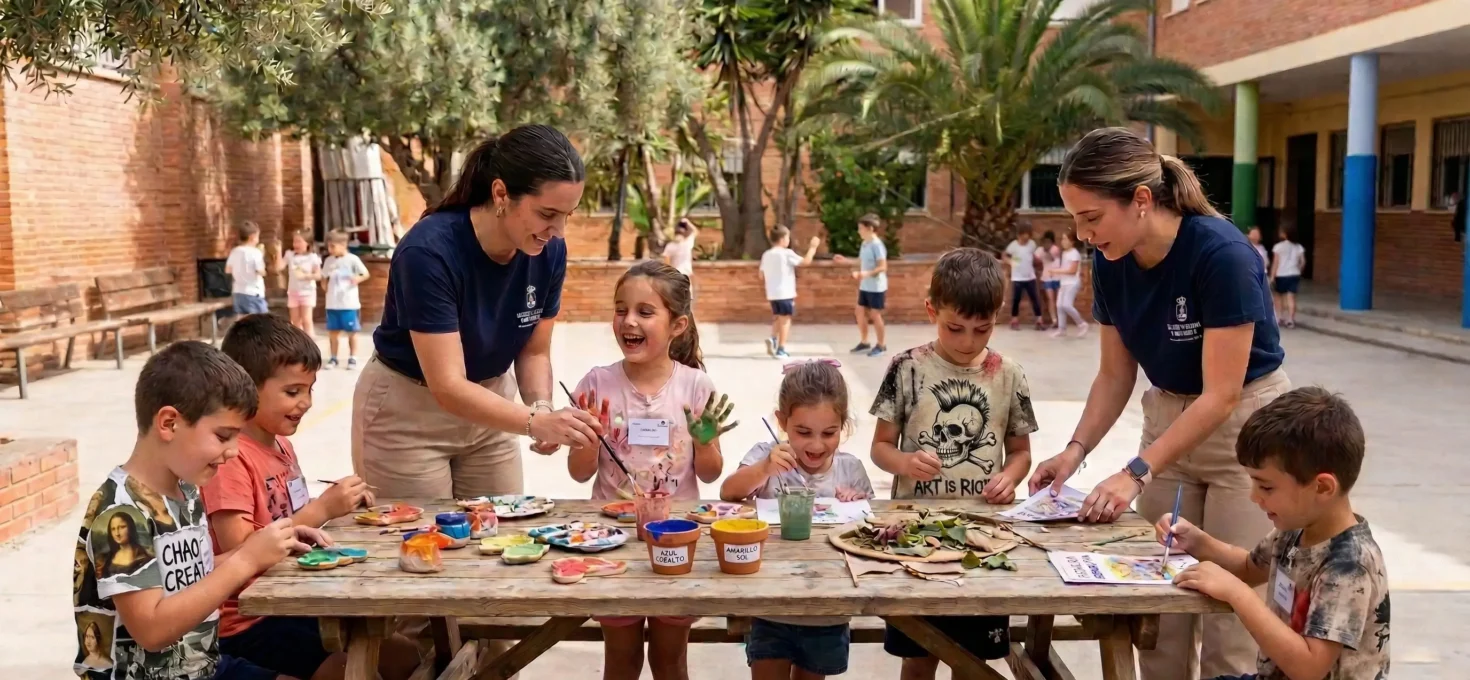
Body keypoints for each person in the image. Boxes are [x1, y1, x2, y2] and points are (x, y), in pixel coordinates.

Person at [1029, 127, 1289, 680]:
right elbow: (1114, 374)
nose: (1081, 234)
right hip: (1169, 419)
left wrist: (1136, 472)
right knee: (1155, 601)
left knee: (1230, 610)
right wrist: (1073, 453)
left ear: (1141, 201)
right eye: (1075, 219)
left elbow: (1221, 395)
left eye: (1092, 217)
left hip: (1244, 428)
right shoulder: (1111, 260)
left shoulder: (1222, 254)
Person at [353, 124, 602, 503]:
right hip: (408, 416)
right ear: (501, 193)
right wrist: (536, 423)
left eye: (568, 214)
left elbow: (534, 351)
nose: (559, 230)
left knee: (503, 537)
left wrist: (541, 409)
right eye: (548, 213)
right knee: (421, 543)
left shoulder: (549, 250)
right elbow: (448, 385)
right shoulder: (428, 251)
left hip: (491, 413)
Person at [73, 340, 323, 680]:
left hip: (200, 665)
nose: (234, 452)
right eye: (223, 436)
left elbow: (189, 574)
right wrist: (246, 560)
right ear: (169, 423)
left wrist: (267, 546)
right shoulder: (120, 513)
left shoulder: (185, 490)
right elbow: (152, 629)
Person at [204, 314, 418, 680]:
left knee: (405, 655)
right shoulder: (231, 459)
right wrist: (322, 509)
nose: (306, 402)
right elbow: (242, 546)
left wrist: (335, 506)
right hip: (247, 620)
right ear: (246, 388)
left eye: (310, 389)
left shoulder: (282, 446)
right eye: (292, 391)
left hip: (293, 596)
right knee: (351, 668)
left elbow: (288, 516)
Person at [869, 248, 1038, 678]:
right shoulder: (906, 368)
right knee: (919, 653)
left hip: (981, 537)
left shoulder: (1010, 374)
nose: (968, 342)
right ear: (931, 310)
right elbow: (880, 448)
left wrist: (1008, 476)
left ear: (997, 316)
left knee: (973, 660)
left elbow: (1020, 453)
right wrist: (906, 462)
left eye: (982, 329)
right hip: (914, 537)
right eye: (954, 328)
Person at [567, 261, 734, 680]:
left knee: (670, 660)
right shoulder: (597, 383)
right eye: (620, 309)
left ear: (677, 325)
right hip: (612, 541)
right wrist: (590, 437)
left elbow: (712, 475)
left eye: (645, 312)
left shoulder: (696, 386)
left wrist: (705, 439)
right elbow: (578, 473)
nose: (628, 321)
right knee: (620, 662)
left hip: (676, 538)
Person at [1159, 387, 1389, 680]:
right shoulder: (1296, 530)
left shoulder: (1349, 567)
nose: (1255, 497)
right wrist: (1196, 541)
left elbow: (1309, 668)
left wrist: (1237, 595)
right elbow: (1248, 567)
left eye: (1266, 487)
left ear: (1322, 487)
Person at [721, 359, 874, 680]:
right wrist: (763, 469)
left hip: (828, 607)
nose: (816, 444)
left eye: (829, 433)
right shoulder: (768, 455)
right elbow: (728, 493)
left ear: (843, 425)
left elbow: (870, 534)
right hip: (770, 602)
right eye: (803, 432)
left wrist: (857, 504)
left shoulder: (851, 469)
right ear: (782, 421)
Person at [759, 226, 821, 359]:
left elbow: (761, 274)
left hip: (772, 293)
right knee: (785, 320)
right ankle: (781, 349)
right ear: (782, 239)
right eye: (787, 237)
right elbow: (805, 262)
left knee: (777, 316)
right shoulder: (786, 253)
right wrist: (813, 247)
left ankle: (773, 338)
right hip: (785, 293)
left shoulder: (766, 254)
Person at [840, 214, 890, 357]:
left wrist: (865, 274)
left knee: (875, 315)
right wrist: (845, 261)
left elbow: (882, 267)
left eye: (861, 228)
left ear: (870, 228)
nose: (859, 231)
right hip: (865, 286)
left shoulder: (877, 245)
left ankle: (881, 345)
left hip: (876, 287)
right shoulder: (865, 244)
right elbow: (860, 261)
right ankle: (864, 342)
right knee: (859, 312)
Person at [321, 231, 370, 369]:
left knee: (352, 332)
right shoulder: (329, 260)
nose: (330, 249)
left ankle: (352, 357)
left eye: (333, 246)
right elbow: (324, 277)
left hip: (349, 303)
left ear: (343, 245)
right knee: (333, 332)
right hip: (332, 303)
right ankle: (333, 357)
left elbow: (365, 273)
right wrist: (325, 287)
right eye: (329, 246)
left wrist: (357, 279)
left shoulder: (352, 259)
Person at [276, 231, 322, 338]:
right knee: (295, 321)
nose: (295, 244)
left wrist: (306, 276)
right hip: (293, 292)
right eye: (294, 241)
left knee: (306, 320)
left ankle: (310, 342)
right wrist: (278, 251)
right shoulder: (290, 255)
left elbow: (318, 275)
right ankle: (299, 344)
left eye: (299, 242)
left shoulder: (313, 257)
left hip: (307, 292)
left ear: (307, 243)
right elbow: (279, 267)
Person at [1046, 231, 1089, 338]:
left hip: (1072, 283)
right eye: (1062, 239)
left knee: (1066, 305)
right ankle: (1062, 329)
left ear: (1072, 242)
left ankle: (1082, 324)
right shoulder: (1064, 253)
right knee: (1059, 306)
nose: (1063, 242)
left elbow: (1072, 271)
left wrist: (1056, 271)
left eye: (1065, 239)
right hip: (1064, 282)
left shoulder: (1074, 253)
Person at [1004, 223, 1045, 330]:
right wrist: (1010, 261)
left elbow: (1034, 256)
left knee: (1035, 298)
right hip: (1017, 278)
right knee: (1016, 300)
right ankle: (1014, 321)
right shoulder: (1013, 245)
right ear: (1019, 235)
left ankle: (1039, 321)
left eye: (1028, 235)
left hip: (1030, 277)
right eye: (1024, 235)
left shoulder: (1032, 244)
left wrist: (1039, 262)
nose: (1026, 237)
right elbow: (1004, 255)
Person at [225, 222, 268, 316]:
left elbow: (228, 269)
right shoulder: (256, 252)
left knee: (242, 322)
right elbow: (261, 271)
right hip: (253, 293)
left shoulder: (235, 251)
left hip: (238, 292)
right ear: (252, 237)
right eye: (257, 237)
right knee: (261, 323)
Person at [1270, 227, 1306, 329]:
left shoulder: (1278, 247)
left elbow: (1276, 263)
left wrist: (1272, 276)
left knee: (1278, 297)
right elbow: (1303, 262)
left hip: (1281, 274)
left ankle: (1280, 317)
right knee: (1291, 298)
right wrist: (1298, 270)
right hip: (1294, 274)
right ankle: (1290, 320)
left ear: (1285, 234)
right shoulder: (1298, 247)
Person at [1037, 230, 1061, 329]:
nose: (1047, 244)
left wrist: (1047, 251)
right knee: (1050, 299)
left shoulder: (1055, 249)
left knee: (1059, 300)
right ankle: (1054, 320)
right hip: (1046, 277)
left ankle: (1060, 320)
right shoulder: (1039, 250)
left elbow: (1052, 258)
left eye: (1049, 242)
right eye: (1045, 241)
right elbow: (1035, 259)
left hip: (1057, 276)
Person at [662, 219, 699, 283]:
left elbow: (666, 262)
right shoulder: (687, 243)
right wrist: (688, 222)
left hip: (676, 275)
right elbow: (695, 231)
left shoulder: (670, 245)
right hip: (685, 274)